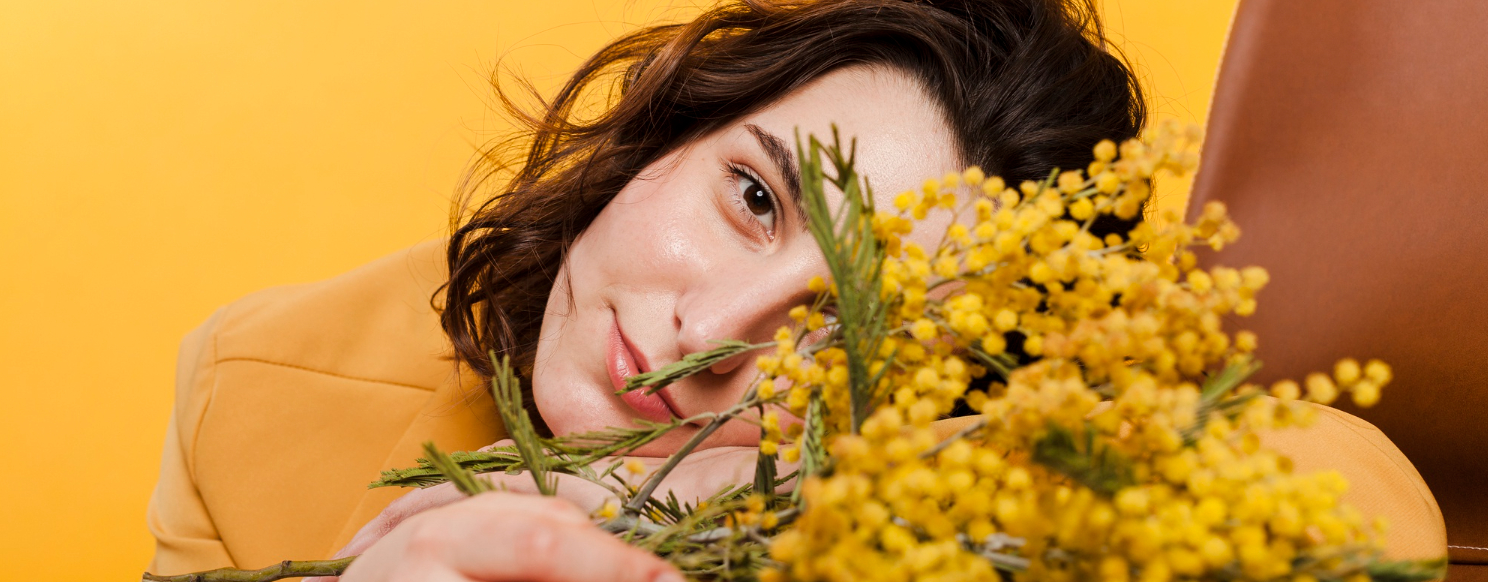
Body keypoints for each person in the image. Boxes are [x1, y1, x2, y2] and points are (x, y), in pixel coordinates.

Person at [146, 0, 1444, 580]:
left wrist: (746, 502)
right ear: (664, 128)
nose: (710, 333)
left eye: (846, 324)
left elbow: (1346, 509)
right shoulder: (258, 390)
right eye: (755, 197)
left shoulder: (946, 500)